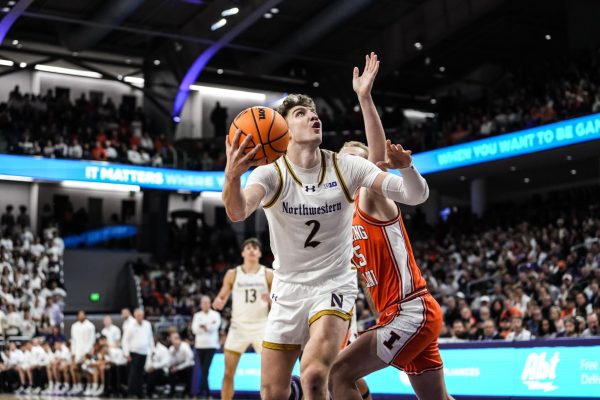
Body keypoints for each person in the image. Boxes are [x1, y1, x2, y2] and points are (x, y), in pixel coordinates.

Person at [223, 52, 435, 399]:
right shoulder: (270, 173)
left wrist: (407, 168)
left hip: (332, 285)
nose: (313, 117)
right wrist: (232, 177)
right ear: (282, 131)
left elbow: (415, 195)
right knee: (272, 392)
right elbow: (237, 211)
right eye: (302, 113)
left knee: (315, 375)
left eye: (315, 112)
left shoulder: (345, 167)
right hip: (288, 289)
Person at [330, 53, 452, 400]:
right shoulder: (342, 216)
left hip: (409, 309)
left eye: (358, 158)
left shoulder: (370, 197)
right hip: (400, 313)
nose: (353, 164)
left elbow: (379, 160)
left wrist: (365, 99)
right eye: (345, 160)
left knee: (337, 374)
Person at [212, 237, 273, 400]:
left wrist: (272, 300)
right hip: (238, 327)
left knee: (268, 375)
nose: (252, 250)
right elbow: (221, 297)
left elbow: (279, 303)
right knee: (228, 373)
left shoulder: (268, 273)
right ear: (242, 253)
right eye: (248, 247)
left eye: (255, 247)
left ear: (260, 253)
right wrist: (218, 301)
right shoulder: (232, 274)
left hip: (261, 326)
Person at [192, 295, 221, 399]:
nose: (205, 305)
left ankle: (200, 392)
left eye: (207, 302)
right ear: (201, 304)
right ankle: (208, 394)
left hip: (211, 345)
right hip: (200, 345)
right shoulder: (197, 315)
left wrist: (204, 326)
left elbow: (215, 327)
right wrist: (208, 326)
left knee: (205, 369)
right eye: (203, 303)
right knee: (204, 370)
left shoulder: (216, 315)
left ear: (210, 303)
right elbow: (194, 330)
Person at [122, 308, 154, 398]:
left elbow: (150, 337)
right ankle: (131, 392)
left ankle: (139, 392)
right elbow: (125, 340)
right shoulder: (130, 326)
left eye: (141, 315)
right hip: (134, 351)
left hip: (144, 352)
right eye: (138, 315)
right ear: (135, 316)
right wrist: (126, 353)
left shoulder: (147, 325)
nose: (140, 317)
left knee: (140, 373)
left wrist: (152, 349)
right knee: (133, 373)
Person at [69, 311, 96, 395]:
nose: (81, 316)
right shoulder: (74, 326)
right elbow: (73, 340)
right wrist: (73, 352)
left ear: (85, 315)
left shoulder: (90, 326)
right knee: (75, 369)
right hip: (77, 351)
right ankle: (79, 386)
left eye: (82, 314)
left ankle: (89, 386)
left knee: (87, 369)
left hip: (86, 351)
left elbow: (92, 339)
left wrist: (87, 352)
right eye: (79, 315)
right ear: (77, 316)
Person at [168, 331, 195, 397]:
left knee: (189, 370)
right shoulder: (171, 349)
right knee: (170, 370)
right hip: (178, 366)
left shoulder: (185, 346)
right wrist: (173, 353)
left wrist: (178, 368)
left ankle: (187, 392)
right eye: (174, 339)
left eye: (177, 338)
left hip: (187, 366)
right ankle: (172, 392)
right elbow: (170, 362)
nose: (176, 340)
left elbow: (189, 361)